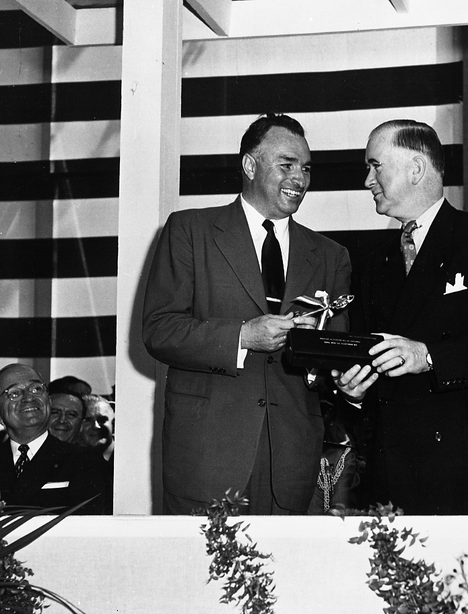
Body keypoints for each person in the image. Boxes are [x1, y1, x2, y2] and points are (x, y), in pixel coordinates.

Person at [334, 119, 468, 514]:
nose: (367, 180)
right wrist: (355, 392)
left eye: (376, 165)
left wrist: (430, 356)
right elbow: (368, 362)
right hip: (393, 476)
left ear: (416, 169)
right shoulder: (371, 262)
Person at [143, 113, 351, 515]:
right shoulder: (189, 230)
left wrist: (315, 347)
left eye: (306, 168)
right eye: (286, 165)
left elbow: (334, 357)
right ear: (249, 165)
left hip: (293, 462)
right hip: (207, 459)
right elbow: (158, 329)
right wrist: (242, 336)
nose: (300, 179)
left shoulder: (330, 255)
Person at [0, 364, 106, 513]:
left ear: (48, 401)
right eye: (14, 393)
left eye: (36, 389)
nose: (28, 398)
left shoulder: (86, 462)